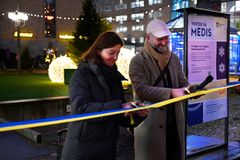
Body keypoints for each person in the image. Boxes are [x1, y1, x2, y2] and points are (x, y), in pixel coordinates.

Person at [61, 31, 148, 160]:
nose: (115, 57)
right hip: (82, 150)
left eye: (118, 53)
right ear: (98, 51)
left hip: (107, 149)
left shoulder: (114, 77)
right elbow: (80, 108)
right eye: (111, 52)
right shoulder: (82, 74)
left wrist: (136, 114)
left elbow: (120, 117)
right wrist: (119, 107)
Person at [129, 19, 189, 160]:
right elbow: (141, 90)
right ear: (148, 38)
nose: (164, 42)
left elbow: (182, 82)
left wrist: (190, 89)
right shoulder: (138, 61)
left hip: (174, 122)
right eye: (160, 39)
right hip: (150, 125)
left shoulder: (173, 58)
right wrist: (172, 92)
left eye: (166, 38)